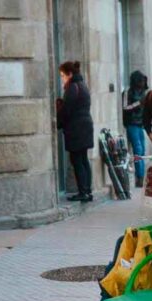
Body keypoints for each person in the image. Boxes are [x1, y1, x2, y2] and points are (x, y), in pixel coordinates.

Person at [57, 61, 94, 202]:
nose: (62, 78)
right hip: (84, 126)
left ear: (70, 74)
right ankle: (87, 191)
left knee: (77, 160)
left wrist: (58, 123)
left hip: (77, 128)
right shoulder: (82, 85)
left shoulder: (73, 87)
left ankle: (83, 192)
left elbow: (67, 110)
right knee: (83, 159)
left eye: (62, 75)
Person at [123, 71, 148, 187]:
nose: (142, 83)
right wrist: (138, 103)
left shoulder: (144, 92)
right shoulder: (128, 92)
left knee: (142, 151)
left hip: (140, 124)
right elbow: (125, 108)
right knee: (138, 151)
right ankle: (140, 177)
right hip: (131, 124)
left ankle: (141, 176)